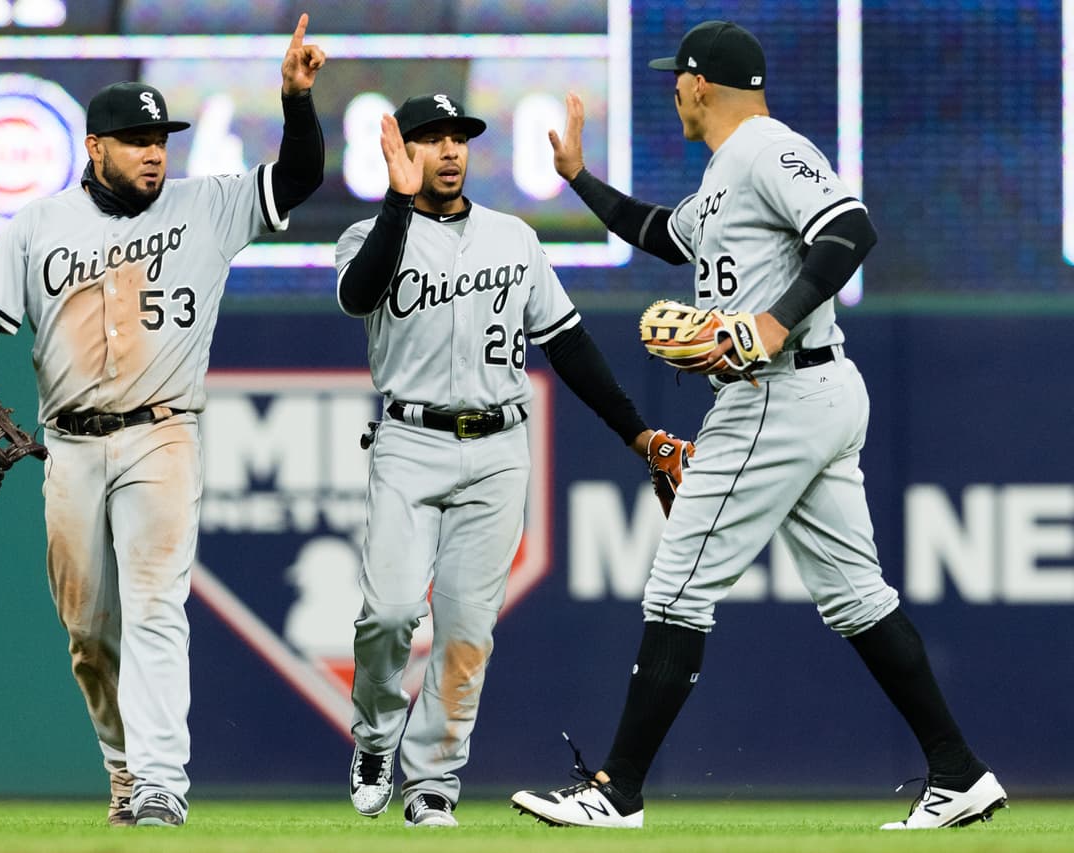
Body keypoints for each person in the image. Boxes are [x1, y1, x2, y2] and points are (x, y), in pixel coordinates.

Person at [510, 20, 1006, 831]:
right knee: (857, 597)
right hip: (808, 392)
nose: (673, 89)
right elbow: (657, 232)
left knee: (678, 584)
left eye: (678, 77)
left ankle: (617, 789)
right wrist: (578, 179)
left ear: (701, 83)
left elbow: (851, 229)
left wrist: (772, 324)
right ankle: (959, 771)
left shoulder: (769, 148)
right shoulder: (723, 173)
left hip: (778, 389)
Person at [0, 14, 325, 828]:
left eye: (160, 138)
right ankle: (123, 767)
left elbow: (298, 176)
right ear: (95, 147)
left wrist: (296, 100)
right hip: (70, 445)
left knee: (156, 607)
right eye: (136, 139)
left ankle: (160, 781)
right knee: (88, 631)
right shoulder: (38, 224)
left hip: (163, 433)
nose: (155, 152)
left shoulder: (207, 206)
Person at [334, 93, 688, 828]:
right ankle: (374, 737)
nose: (450, 151)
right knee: (390, 614)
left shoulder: (514, 239)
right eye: (432, 138)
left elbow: (570, 345)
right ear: (402, 151)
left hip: (498, 448)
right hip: (410, 440)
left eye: (459, 137)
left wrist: (637, 434)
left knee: (466, 634)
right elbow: (357, 294)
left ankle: (433, 782)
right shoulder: (368, 235)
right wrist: (397, 202)